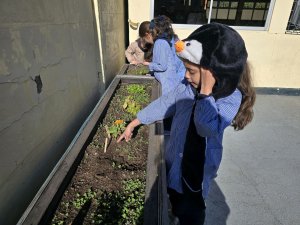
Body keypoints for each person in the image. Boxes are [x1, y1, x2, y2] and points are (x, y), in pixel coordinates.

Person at [118, 23, 256, 225]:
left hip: (197, 173)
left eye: (191, 71)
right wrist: (136, 121)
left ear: (213, 73)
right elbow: (165, 103)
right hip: (176, 160)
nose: (185, 76)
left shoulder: (229, 98)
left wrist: (205, 93)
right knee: (175, 196)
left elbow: (205, 127)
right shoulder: (186, 86)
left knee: (191, 212)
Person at [143, 15, 185, 95]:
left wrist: (149, 65)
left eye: (152, 30)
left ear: (157, 30)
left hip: (172, 81)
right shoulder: (169, 39)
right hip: (177, 77)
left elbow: (163, 66)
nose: (151, 32)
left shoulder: (161, 42)